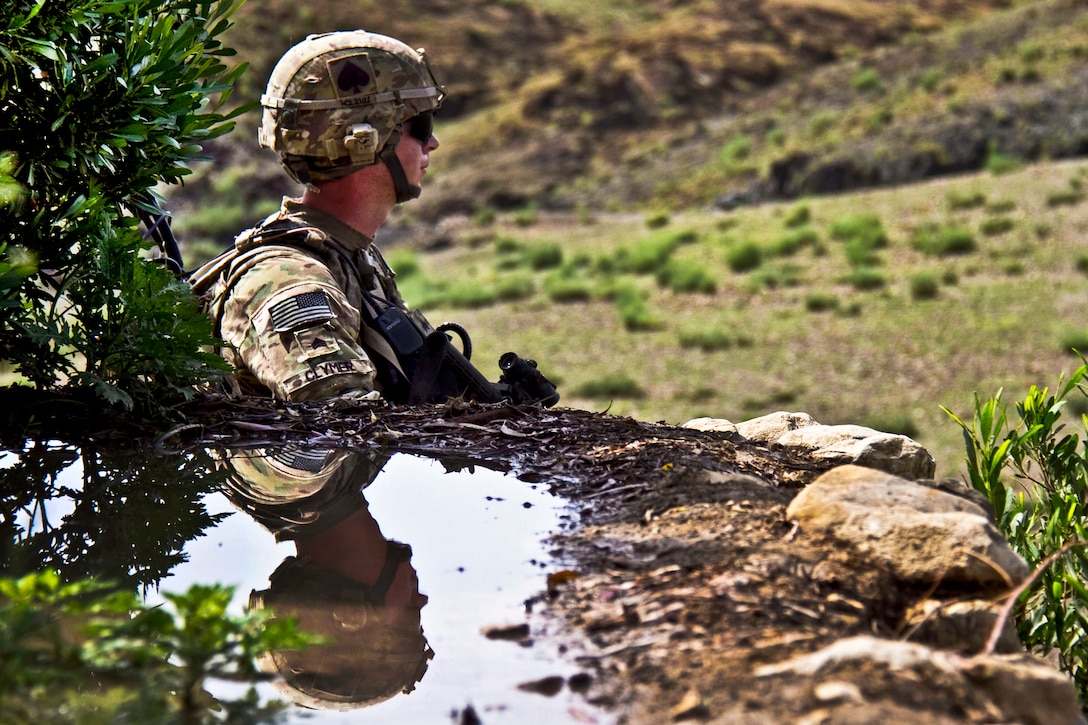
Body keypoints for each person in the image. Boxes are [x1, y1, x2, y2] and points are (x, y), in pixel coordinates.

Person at [190, 31, 557, 405]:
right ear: (365, 139)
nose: (433, 143)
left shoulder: (349, 257)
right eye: (421, 126)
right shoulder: (290, 282)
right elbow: (348, 431)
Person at [217, 445, 434, 710]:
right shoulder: (321, 489)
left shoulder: (296, 473)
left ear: (350, 611)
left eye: (411, 615)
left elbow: (312, 417)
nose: (420, 599)